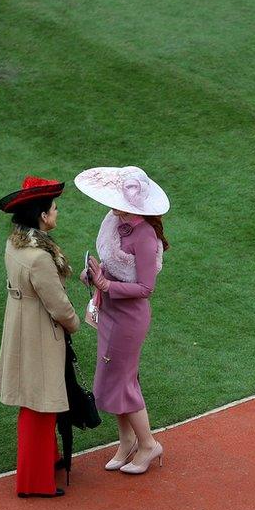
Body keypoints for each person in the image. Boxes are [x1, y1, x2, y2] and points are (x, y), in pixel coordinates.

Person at [75, 166, 170, 475]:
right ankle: (127, 439)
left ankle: (148, 444)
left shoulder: (144, 236)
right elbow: (111, 263)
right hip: (111, 312)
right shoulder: (114, 220)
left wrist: (106, 286)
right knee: (113, 377)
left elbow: (146, 288)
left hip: (129, 318)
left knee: (122, 380)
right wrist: (95, 273)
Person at [0, 176, 80, 498]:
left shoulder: (15, 244)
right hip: (40, 332)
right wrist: (74, 324)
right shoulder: (40, 258)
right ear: (42, 216)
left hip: (21, 324)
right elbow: (57, 303)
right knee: (40, 405)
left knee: (36, 400)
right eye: (54, 209)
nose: (57, 213)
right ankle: (34, 482)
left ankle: (49, 460)